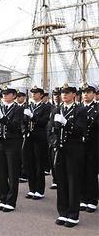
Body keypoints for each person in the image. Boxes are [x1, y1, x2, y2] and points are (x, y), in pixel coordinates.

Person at [50, 83, 87, 228]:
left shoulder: (80, 110)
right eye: (62, 92)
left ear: (74, 95)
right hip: (59, 150)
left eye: (67, 92)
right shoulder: (56, 109)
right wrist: (53, 143)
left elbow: (81, 130)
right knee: (61, 182)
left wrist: (66, 124)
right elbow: (50, 130)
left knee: (73, 182)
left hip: (73, 150)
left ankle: (73, 214)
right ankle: (63, 212)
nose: (64, 95)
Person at [0, 85, 24, 212]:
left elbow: (15, 126)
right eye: (4, 93)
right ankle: (3, 198)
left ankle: (11, 201)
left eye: (8, 93)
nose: (5, 95)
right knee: (1, 172)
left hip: (12, 143)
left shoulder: (18, 109)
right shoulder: (0, 108)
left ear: (14, 95)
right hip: (0, 143)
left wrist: (3, 118)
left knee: (12, 173)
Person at [23, 86, 51, 200]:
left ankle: (39, 190)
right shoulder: (28, 106)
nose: (33, 95)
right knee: (29, 164)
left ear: (41, 95)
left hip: (39, 138)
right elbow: (23, 122)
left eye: (36, 93)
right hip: (29, 138)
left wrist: (32, 117)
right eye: (32, 93)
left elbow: (43, 122)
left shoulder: (45, 107)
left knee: (39, 164)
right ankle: (32, 188)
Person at [79, 82, 98, 213]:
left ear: (94, 94)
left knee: (91, 172)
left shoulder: (97, 108)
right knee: (80, 172)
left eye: (89, 92)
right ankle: (83, 198)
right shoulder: (78, 108)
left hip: (93, 144)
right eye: (84, 92)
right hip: (79, 145)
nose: (85, 94)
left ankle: (92, 200)